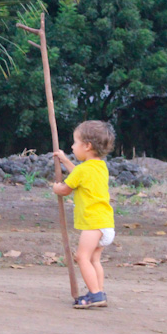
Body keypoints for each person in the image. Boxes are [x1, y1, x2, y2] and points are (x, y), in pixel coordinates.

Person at [52, 120, 115, 309]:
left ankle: (95, 295)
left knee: (82, 257)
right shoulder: (99, 166)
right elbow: (78, 174)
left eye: (75, 143)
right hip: (105, 223)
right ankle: (99, 291)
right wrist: (65, 160)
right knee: (94, 259)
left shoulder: (83, 170)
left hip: (92, 223)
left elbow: (66, 189)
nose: (72, 146)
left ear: (87, 146)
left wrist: (57, 188)